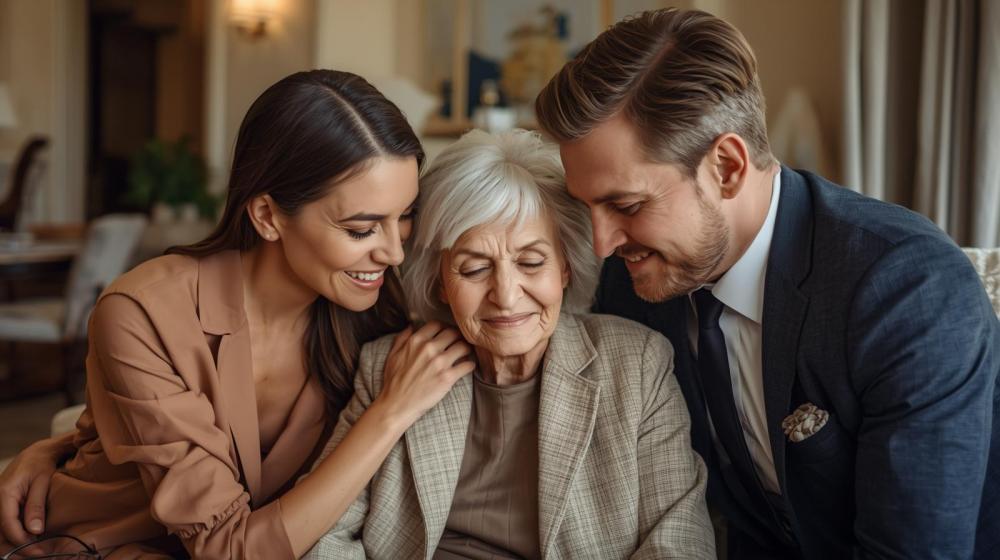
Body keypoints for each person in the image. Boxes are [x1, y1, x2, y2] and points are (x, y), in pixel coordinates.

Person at [533, 8, 1000, 559]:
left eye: (626, 205)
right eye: (587, 206)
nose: (603, 242)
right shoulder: (632, 285)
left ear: (727, 166)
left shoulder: (906, 289)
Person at [0, 70, 474, 559]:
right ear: (268, 216)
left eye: (404, 217)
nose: (395, 253)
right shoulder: (142, 313)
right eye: (361, 229)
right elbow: (229, 549)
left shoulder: (380, 312)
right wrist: (388, 415)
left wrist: (52, 447)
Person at [305, 129, 716, 559]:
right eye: (474, 269)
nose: (505, 294)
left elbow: (679, 540)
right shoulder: (389, 364)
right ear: (440, 282)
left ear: (565, 267)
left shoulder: (637, 365)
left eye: (531, 262)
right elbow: (323, 535)